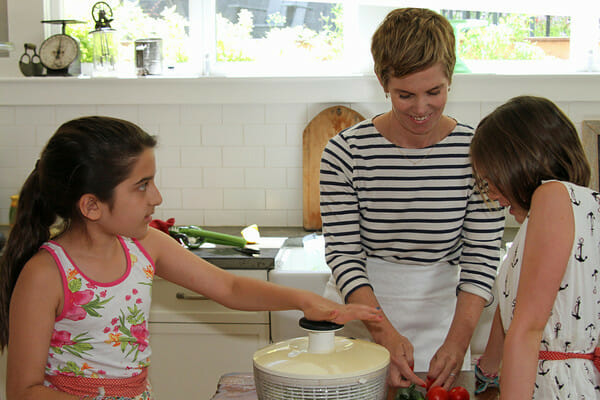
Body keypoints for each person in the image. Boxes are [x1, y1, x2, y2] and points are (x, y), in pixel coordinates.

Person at [0, 116, 383, 400]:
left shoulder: (145, 245)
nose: (157, 198)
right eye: (142, 186)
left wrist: (306, 301)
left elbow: (229, 286)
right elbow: (23, 390)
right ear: (92, 205)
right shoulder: (46, 274)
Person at [319, 7, 505, 396]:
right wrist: (383, 331)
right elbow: (344, 255)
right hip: (363, 310)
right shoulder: (345, 152)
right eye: (405, 95)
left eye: (434, 92)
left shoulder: (480, 152)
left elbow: (483, 255)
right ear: (381, 82)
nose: (421, 109)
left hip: (448, 317)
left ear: (450, 78)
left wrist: (457, 341)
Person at [471, 95, 600, 398]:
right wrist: (487, 371)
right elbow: (512, 313)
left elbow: (526, 330)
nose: (492, 195)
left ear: (519, 163)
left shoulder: (552, 196)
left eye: (491, 180)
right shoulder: (582, 207)